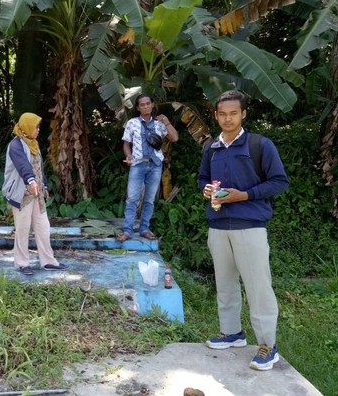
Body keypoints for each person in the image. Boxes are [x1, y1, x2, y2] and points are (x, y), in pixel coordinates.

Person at [198, 90, 289, 371]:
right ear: (216, 115)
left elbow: (279, 181)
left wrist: (244, 196)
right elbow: (202, 178)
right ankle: (232, 333)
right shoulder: (210, 148)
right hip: (218, 225)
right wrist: (206, 189)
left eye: (233, 113)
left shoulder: (260, 145)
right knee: (225, 284)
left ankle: (268, 346)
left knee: (258, 287)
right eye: (222, 114)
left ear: (243, 114)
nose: (228, 118)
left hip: (250, 226)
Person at [1, 112, 68, 276]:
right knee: (22, 229)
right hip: (22, 194)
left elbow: (38, 167)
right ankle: (22, 264)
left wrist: (43, 185)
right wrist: (31, 181)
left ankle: (48, 261)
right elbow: (23, 166)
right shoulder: (16, 145)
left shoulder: (33, 144)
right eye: (36, 126)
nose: (38, 129)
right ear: (27, 127)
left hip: (36, 194)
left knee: (44, 227)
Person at [117, 94, 179, 241]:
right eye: (142, 105)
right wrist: (129, 156)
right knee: (132, 198)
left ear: (152, 105)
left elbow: (175, 138)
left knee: (149, 199)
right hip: (138, 164)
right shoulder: (132, 123)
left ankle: (144, 228)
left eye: (148, 104)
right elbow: (126, 143)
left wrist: (167, 121)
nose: (145, 106)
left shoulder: (159, 123)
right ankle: (127, 231)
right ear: (138, 108)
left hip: (155, 164)